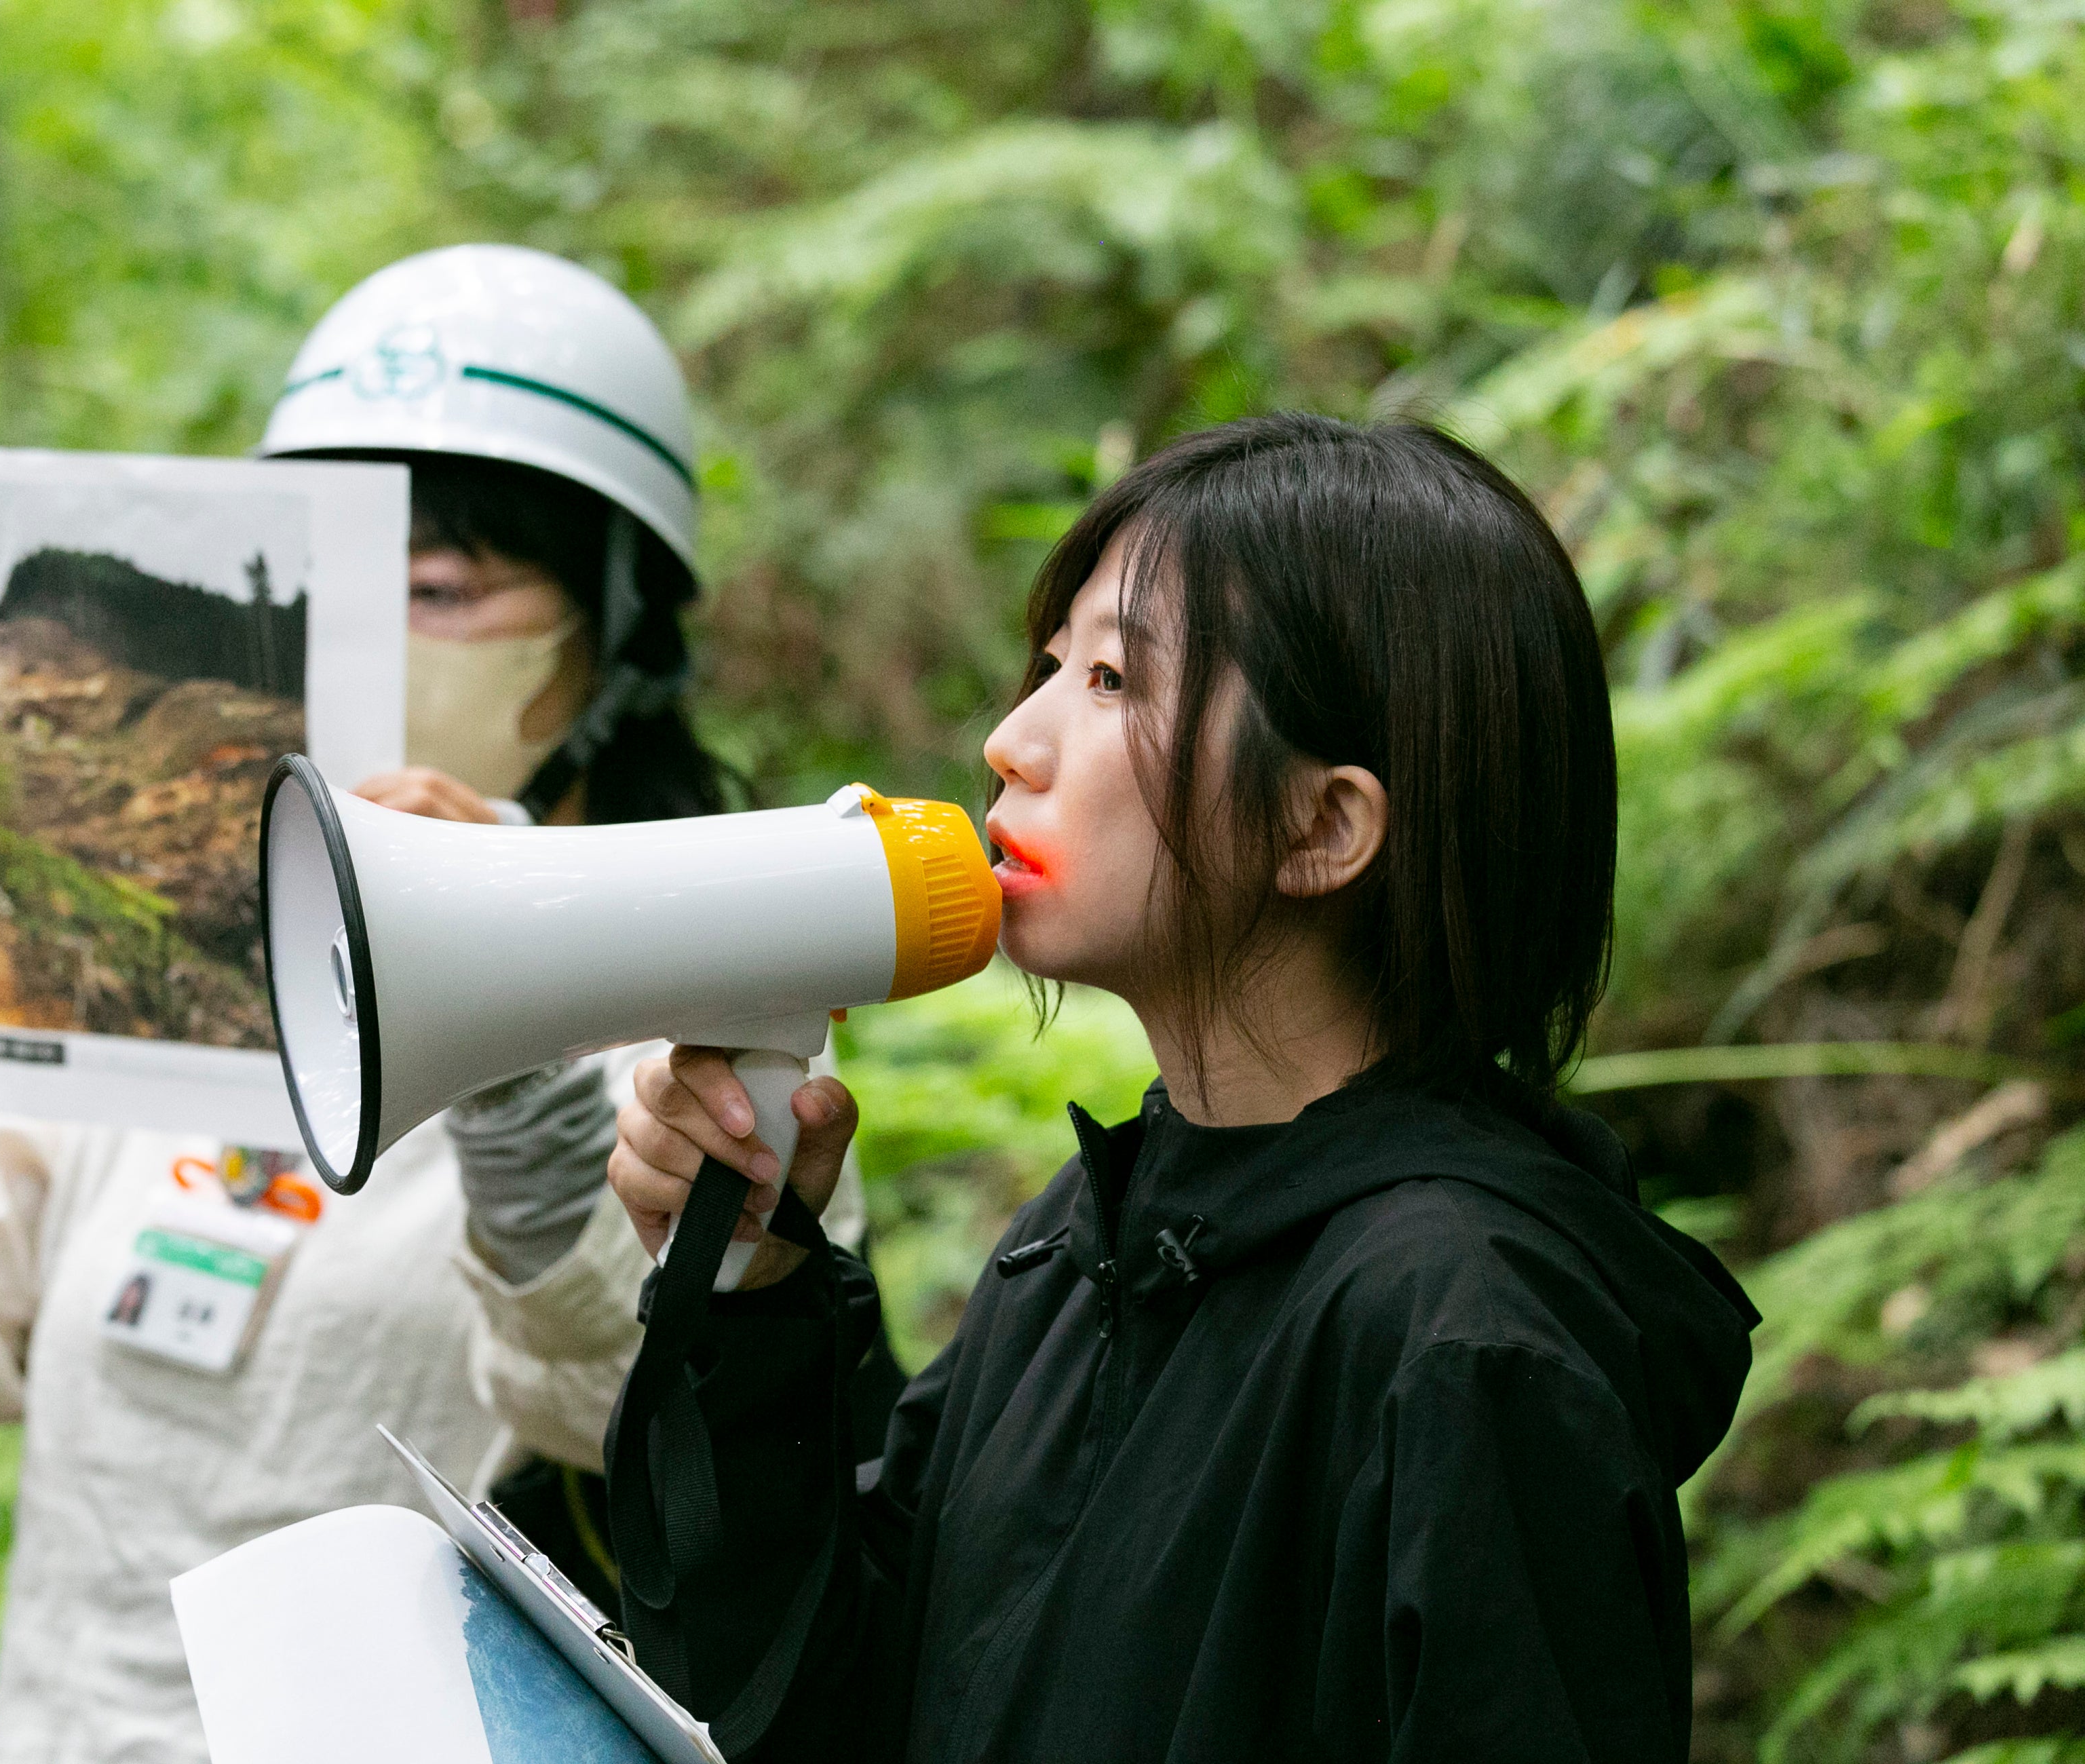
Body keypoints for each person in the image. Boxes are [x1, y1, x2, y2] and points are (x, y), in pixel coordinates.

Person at [0, 245, 865, 1761]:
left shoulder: (713, 1025)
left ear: (615, 631)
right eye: (344, 573)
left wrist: (506, 1015)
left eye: (443, 584)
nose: (378, 633)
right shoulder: (179, 990)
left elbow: (630, 1406)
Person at [602, 415, 1761, 1762]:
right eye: (1047, 668)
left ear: (1322, 827)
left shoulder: (1466, 1341)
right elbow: (825, 1709)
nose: (1013, 743)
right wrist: (753, 1291)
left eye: (1110, 681)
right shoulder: (1086, 1246)